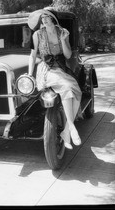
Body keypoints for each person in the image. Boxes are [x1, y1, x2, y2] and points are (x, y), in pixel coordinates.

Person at [27, 9, 82, 149]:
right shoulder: (37, 34)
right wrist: (29, 74)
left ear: (53, 19)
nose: (44, 20)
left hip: (61, 68)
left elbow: (68, 55)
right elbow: (33, 55)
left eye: (47, 17)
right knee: (68, 88)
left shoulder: (62, 32)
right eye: (42, 18)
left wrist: (63, 40)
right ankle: (71, 127)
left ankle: (66, 131)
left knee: (77, 92)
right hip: (46, 69)